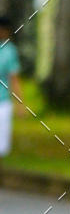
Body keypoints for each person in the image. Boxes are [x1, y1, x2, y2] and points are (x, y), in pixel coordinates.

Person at [0, 16, 25, 159]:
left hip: (2, 103)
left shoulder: (9, 51)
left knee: (2, 147)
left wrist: (19, 103)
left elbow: (14, 79)